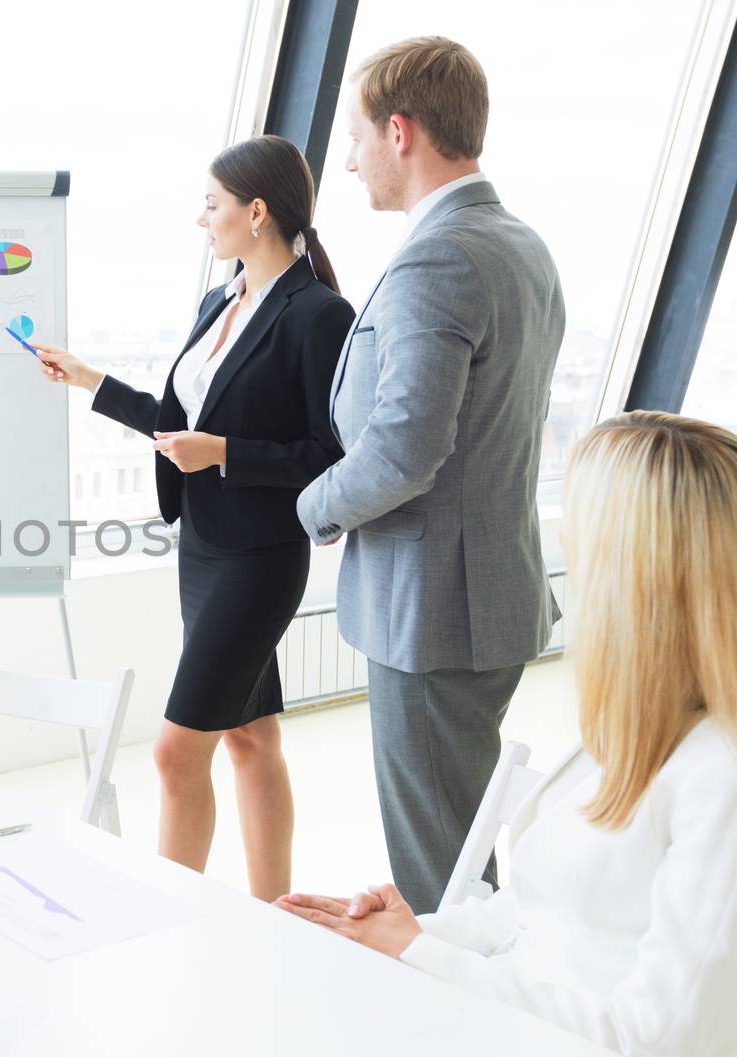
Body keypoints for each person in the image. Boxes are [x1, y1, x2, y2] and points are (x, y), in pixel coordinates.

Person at [277, 412, 737, 1057]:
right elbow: (532, 912)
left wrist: (418, 953)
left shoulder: (718, 776)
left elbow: (658, 1043)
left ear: (629, 575)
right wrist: (395, 934)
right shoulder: (633, 730)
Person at [34, 135, 353, 899]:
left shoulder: (319, 315)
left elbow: (328, 453)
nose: (200, 219)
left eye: (211, 204)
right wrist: (91, 380)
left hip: (261, 556)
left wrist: (227, 455)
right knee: (249, 734)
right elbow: (181, 424)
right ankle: (277, 906)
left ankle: (170, 918)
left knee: (177, 753)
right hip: (204, 549)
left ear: (256, 210)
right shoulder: (220, 301)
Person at [294, 37, 566, 911]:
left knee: (440, 873)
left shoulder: (439, 257)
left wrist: (312, 505)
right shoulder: (520, 244)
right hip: (484, 592)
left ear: (399, 132)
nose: (347, 159)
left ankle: (476, 1022)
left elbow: (407, 449)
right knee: (461, 842)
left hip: (432, 612)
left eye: (356, 136)